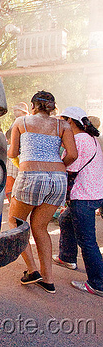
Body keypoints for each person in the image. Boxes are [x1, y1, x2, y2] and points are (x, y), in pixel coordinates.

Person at [8, 91, 77, 294]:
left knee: (15, 222)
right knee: (40, 227)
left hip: (31, 176)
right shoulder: (62, 125)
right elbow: (72, 154)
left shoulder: (22, 122)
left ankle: (32, 271)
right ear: (52, 107)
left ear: (33, 106)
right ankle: (48, 280)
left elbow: (12, 153)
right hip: (57, 179)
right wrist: (57, 166)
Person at [52, 107, 103, 297]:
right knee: (65, 219)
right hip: (95, 192)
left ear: (70, 121)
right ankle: (67, 257)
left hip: (84, 195)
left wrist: (58, 164)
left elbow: (71, 164)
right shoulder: (91, 138)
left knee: (87, 241)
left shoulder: (78, 139)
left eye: (62, 120)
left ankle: (98, 283)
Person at [5, 102, 29, 202]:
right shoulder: (17, 121)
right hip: (14, 155)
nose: (14, 112)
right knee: (11, 181)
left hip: (21, 154)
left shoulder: (27, 121)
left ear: (22, 111)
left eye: (17, 110)